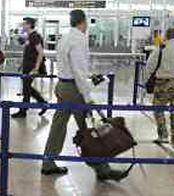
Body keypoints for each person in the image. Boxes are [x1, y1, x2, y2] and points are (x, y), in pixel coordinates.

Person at [41, 10, 128, 181]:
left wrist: (88, 77)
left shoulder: (64, 39)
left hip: (62, 86)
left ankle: (48, 162)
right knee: (90, 128)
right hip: (75, 90)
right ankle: (102, 169)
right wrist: (87, 98)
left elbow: (74, 67)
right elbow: (79, 71)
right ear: (84, 22)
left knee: (58, 125)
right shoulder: (79, 39)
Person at [12, 17, 47, 118]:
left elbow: (40, 52)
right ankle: (43, 103)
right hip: (27, 66)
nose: (22, 26)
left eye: (24, 24)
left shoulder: (35, 36)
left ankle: (23, 111)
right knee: (27, 88)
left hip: (32, 68)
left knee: (26, 89)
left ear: (29, 25)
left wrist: (36, 68)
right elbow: (29, 53)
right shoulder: (29, 36)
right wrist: (22, 65)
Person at [145, 28, 174, 144]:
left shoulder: (161, 48)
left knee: (158, 109)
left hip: (163, 84)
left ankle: (163, 135)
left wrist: (148, 80)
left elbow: (150, 66)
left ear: (166, 36)